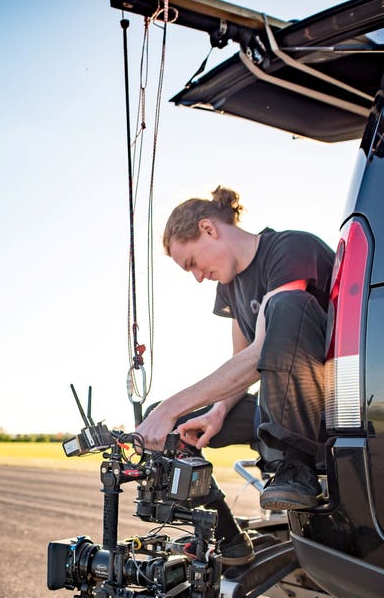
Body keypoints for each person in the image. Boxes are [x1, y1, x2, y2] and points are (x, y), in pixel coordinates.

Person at [134, 185, 334, 563]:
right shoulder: (230, 288)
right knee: (175, 426)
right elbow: (241, 362)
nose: (196, 277)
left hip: (325, 406)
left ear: (209, 229)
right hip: (276, 407)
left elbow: (265, 350)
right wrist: (216, 412)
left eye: (191, 262)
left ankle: (293, 469)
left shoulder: (290, 249)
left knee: (286, 308)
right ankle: (229, 540)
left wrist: (171, 408)